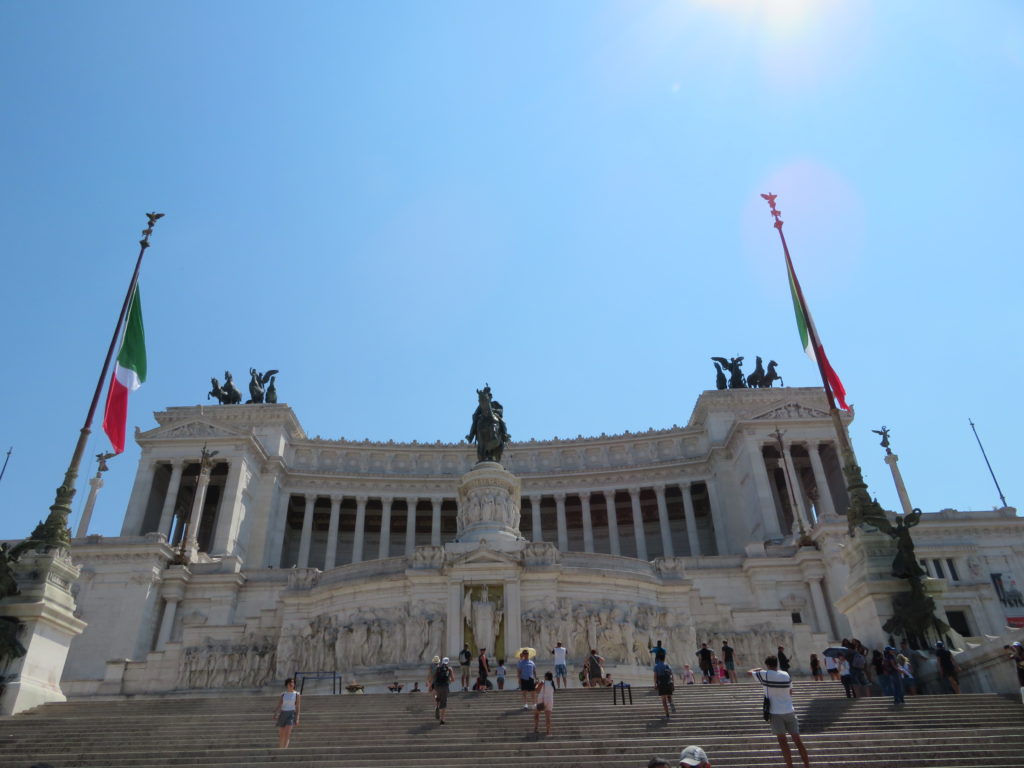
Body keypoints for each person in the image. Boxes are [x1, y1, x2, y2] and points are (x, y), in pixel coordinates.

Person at [752, 656, 811, 768]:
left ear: (767, 665)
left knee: (783, 743)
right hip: (789, 710)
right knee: (797, 740)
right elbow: (791, 691)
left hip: (775, 712)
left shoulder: (765, 674)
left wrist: (758, 669)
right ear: (777, 664)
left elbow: (749, 672)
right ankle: (807, 765)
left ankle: (790, 766)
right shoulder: (785, 674)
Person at [273, 677, 301, 749]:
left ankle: (285, 749)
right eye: (290, 682)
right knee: (282, 734)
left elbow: (297, 706)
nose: (292, 684)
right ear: (287, 684)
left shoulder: (296, 694)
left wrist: (297, 718)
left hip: (291, 713)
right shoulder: (283, 694)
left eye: (293, 682)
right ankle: (281, 747)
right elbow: (279, 704)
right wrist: (275, 713)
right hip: (283, 713)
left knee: (287, 732)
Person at [432, 656, 455, 724]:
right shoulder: (449, 669)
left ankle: (437, 705)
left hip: (437, 686)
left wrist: (433, 687)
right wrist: (449, 680)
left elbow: (434, 677)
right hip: (444, 687)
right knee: (444, 703)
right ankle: (442, 720)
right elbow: (453, 679)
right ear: (448, 662)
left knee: (438, 698)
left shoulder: (438, 668)